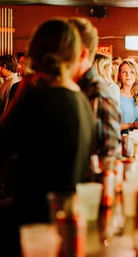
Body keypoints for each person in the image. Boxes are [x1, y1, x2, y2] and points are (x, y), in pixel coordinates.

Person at [0, 18, 95, 256]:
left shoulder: (37, 96)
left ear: (35, 51)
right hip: (70, 218)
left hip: (34, 223)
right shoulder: (81, 99)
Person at [68, 17, 121, 158]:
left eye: (64, 50)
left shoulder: (98, 93)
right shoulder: (70, 86)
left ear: (83, 54)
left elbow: (108, 156)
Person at [117, 58, 138, 132]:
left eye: (132, 72)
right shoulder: (115, 95)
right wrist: (133, 125)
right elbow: (110, 127)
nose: (128, 75)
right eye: (124, 72)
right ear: (119, 75)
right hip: (121, 140)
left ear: (136, 75)